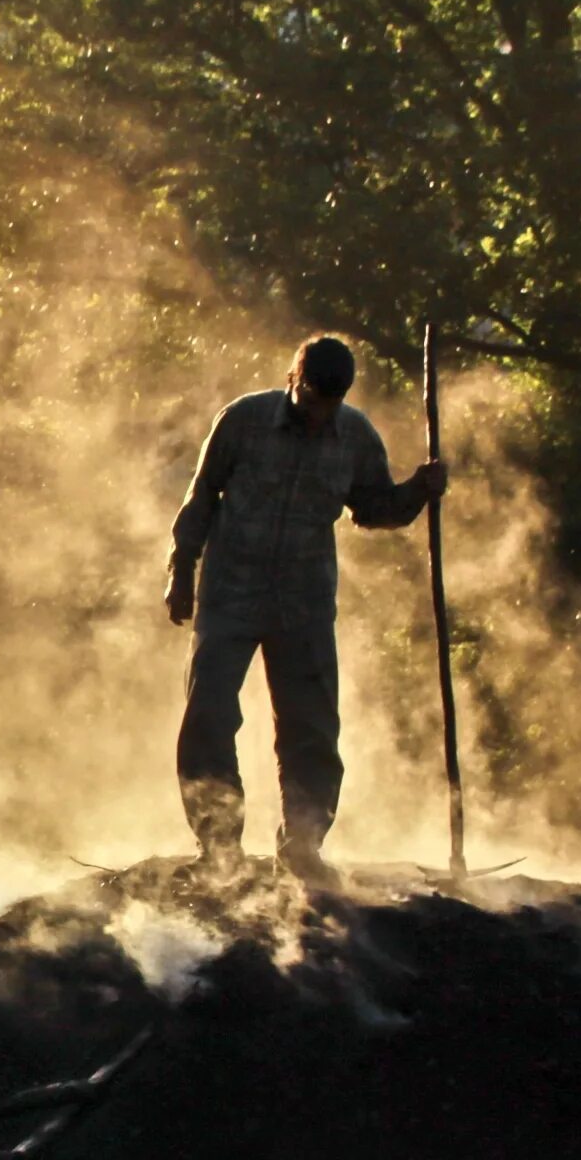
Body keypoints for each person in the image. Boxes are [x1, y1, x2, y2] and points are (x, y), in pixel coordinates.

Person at [164, 334, 449, 885]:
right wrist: (181, 570)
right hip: (231, 593)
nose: (320, 413)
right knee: (208, 717)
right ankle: (219, 847)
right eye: (313, 398)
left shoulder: (355, 436)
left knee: (311, 729)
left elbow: (374, 509)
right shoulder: (243, 421)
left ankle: (303, 848)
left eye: (332, 403)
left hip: (304, 602)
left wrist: (418, 489)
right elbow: (201, 497)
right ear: (294, 381)